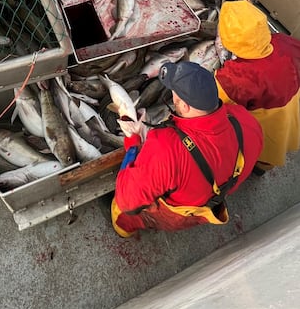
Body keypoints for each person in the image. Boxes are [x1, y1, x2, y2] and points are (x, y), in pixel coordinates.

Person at [111, 60, 263, 237]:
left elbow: (127, 200)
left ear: (185, 106)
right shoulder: (247, 122)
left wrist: (133, 141)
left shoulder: (165, 148)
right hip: (210, 200)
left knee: (122, 211)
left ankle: (125, 229)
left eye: (174, 95)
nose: (173, 98)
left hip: (174, 214)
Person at [216, 0, 300, 174]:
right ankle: (264, 167)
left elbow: (216, 104)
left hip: (269, 128)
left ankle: (258, 166)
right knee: (283, 144)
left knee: (266, 149)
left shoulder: (234, 78)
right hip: (295, 114)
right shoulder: (285, 41)